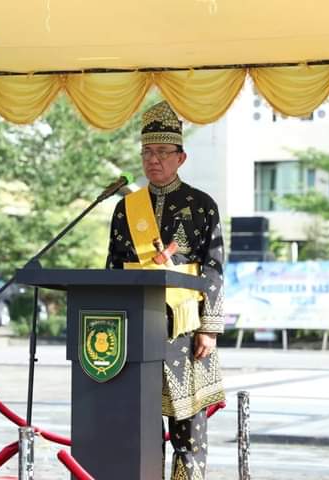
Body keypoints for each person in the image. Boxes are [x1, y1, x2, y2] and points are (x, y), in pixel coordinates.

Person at [106, 101, 225, 479]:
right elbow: (112, 265)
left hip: (186, 332)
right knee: (138, 426)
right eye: (146, 152)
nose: (152, 160)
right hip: (136, 328)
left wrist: (210, 326)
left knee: (188, 430)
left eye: (161, 152)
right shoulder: (126, 208)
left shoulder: (202, 206)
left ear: (181, 157)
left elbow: (214, 267)